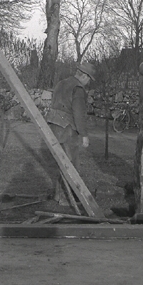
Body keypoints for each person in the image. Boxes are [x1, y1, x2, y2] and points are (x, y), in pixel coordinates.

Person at [46, 62, 96, 205]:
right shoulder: (78, 89)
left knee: (62, 162)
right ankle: (66, 199)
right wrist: (84, 135)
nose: (88, 83)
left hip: (53, 126)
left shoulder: (62, 83)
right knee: (71, 164)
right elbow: (78, 114)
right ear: (84, 76)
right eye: (89, 79)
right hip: (67, 129)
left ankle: (58, 195)